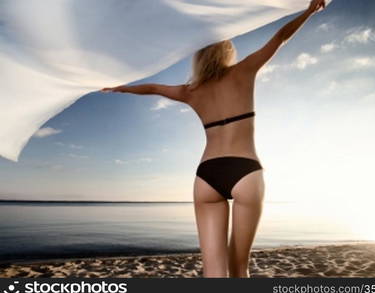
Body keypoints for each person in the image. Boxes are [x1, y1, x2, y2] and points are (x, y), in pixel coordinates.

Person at [101, 0, 327, 278]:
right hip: (245, 171)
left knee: (214, 272)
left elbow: (154, 87)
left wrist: (121, 89)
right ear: (226, 52)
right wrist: (308, 11)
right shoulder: (244, 70)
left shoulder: (192, 90)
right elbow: (280, 37)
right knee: (238, 268)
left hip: (207, 175)